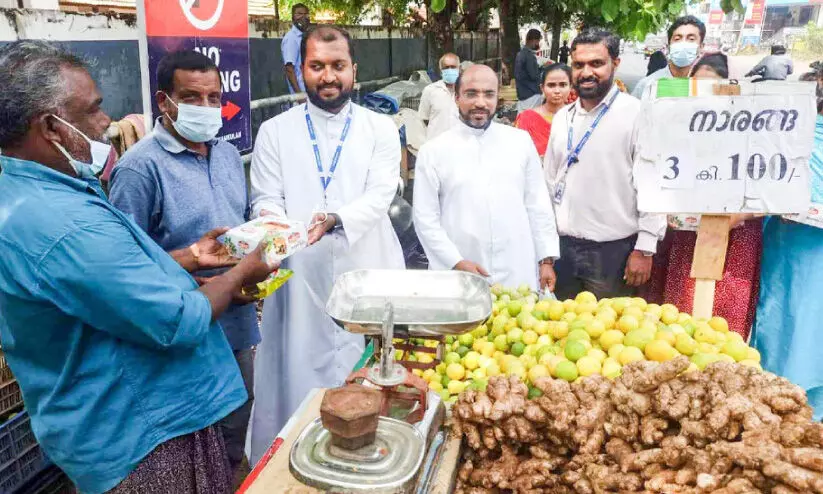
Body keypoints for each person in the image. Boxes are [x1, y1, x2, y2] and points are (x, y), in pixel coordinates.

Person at [0, 40, 277, 494]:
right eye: (93, 110)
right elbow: (175, 319)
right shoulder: (69, 220)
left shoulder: (54, 193)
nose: (106, 122)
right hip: (139, 430)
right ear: (51, 126)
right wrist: (242, 273)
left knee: (232, 453)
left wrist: (190, 257)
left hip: (184, 383)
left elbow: (118, 276)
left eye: (214, 97)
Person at [248, 26, 404, 464]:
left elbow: (380, 194)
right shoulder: (275, 131)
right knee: (297, 372)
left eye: (338, 66)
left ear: (354, 69)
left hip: (368, 265)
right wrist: (281, 229)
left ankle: (372, 458)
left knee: (370, 373)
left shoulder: (380, 128)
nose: (328, 76)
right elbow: (264, 197)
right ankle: (294, 462)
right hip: (299, 274)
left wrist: (338, 219)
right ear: (301, 71)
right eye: (317, 66)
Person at [108, 50, 258, 480]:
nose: (208, 108)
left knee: (234, 433)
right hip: (182, 337)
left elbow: (238, 236)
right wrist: (190, 262)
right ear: (164, 101)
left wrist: (247, 273)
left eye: (215, 97)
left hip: (236, 326)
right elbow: (126, 270)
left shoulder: (227, 155)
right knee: (191, 452)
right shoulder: (140, 169)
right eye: (193, 98)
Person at [640, 53, 762, 338]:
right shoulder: (675, 128)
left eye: (712, 88)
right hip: (685, 236)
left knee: (722, 322)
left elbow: (773, 188)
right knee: (676, 315)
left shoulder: (752, 131)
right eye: (697, 87)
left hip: (734, 241)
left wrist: (739, 215)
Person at [544, 29, 666, 300]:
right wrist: (546, 252)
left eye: (596, 64)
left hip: (614, 255)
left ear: (615, 64)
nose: (586, 72)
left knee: (608, 337)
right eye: (579, 65)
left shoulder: (637, 115)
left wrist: (645, 248)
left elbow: (653, 185)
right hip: (564, 250)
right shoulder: (563, 118)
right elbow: (549, 183)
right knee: (562, 333)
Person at [413, 65, 560, 291]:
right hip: (459, 273)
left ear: (497, 98)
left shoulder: (520, 142)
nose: (480, 102)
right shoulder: (433, 151)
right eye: (471, 93)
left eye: (488, 94)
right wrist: (455, 262)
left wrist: (546, 259)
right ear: (457, 97)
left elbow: (538, 205)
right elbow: (425, 219)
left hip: (517, 269)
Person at [751, 99, 823, 420]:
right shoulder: (796, 128)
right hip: (786, 248)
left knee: (812, 330)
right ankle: (774, 403)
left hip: (814, 255)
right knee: (781, 324)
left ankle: (812, 414)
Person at [632, 16, 706, 99]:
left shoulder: (706, 88)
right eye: (677, 39)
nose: (683, 43)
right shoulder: (648, 86)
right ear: (668, 46)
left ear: (701, 47)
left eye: (691, 39)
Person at [514, 63, 572, 158]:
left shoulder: (578, 118)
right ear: (542, 88)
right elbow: (518, 154)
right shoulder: (526, 118)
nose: (557, 91)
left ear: (571, 87)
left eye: (563, 85)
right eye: (551, 85)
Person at [418, 52, 460, 141]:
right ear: (441, 71)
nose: (450, 70)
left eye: (453, 67)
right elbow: (424, 119)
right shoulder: (430, 90)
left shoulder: (465, 92)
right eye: (446, 67)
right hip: (435, 145)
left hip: (459, 145)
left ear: (459, 69)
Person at [282, 3, 310, 93]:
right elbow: (289, 69)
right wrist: (299, 96)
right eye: (299, 14)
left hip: (308, 92)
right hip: (300, 94)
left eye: (306, 14)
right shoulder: (291, 38)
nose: (304, 17)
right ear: (293, 18)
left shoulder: (304, 37)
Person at [515, 29, 544, 113]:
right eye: (538, 41)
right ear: (534, 40)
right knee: (531, 121)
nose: (538, 44)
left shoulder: (520, 53)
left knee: (522, 120)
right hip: (531, 94)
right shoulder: (529, 56)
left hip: (522, 92)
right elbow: (534, 76)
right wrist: (543, 69)